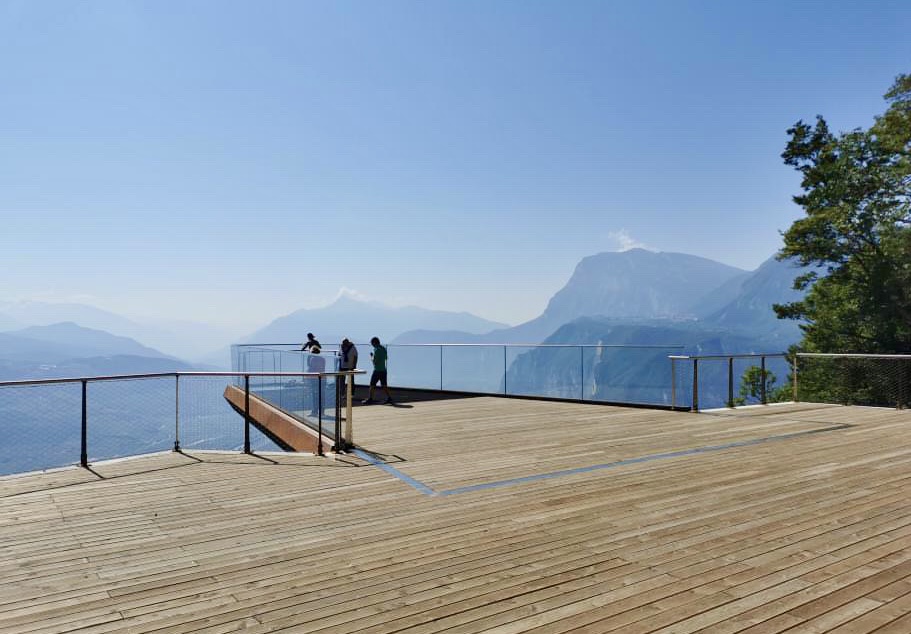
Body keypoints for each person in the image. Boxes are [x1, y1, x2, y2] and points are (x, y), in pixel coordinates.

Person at [362, 336, 393, 404]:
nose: (372, 345)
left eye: (372, 343)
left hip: (377, 370)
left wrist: (372, 356)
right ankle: (389, 398)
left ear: (374, 343)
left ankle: (370, 398)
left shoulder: (376, 350)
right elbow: (386, 358)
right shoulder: (383, 348)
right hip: (383, 370)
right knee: (384, 385)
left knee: (372, 384)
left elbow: (374, 362)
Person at [306, 345, 326, 416]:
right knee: (322, 396)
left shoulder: (313, 359)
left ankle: (314, 412)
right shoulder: (323, 359)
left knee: (315, 396)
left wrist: (306, 376)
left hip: (314, 379)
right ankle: (322, 411)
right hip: (323, 378)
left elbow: (311, 369)